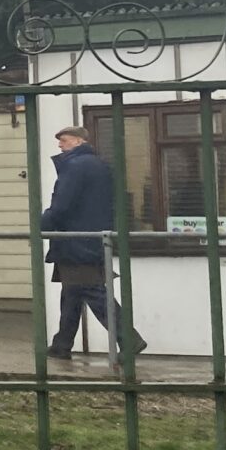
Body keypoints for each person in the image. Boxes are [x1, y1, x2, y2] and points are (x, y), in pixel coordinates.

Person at [41, 126, 143, 358]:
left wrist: (42, 224)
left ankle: (130, 339)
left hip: (76, 240)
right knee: (72, 293)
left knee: (92, 291)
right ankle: (61, 344)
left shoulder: (75, 166)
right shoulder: (99, 164)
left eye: (64, 140)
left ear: (78, 141)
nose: (60, 145)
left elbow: (62, 204)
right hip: (92, 237)